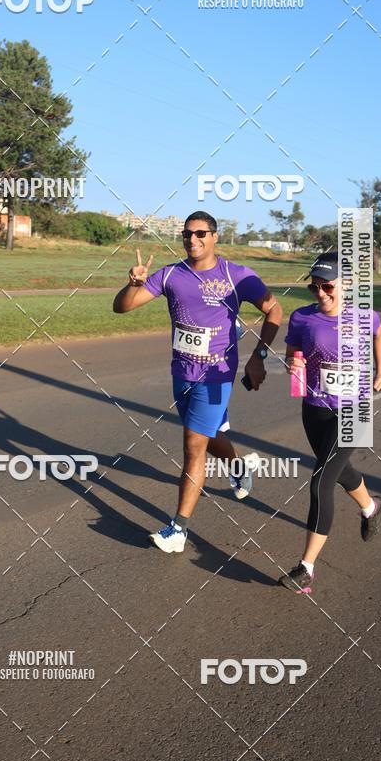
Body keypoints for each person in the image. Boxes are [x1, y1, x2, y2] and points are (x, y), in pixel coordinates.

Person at [112, 211, 282, 553]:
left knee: (193, 446)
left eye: (201, 233)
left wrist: (258, 356)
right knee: (207, 436)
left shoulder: (237, 276)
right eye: (187, 234)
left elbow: (274, 310)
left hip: (217, 375)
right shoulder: (171, 274)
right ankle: (238, 467)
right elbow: (121, 308)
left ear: (215, 237)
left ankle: (178, 529)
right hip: (182, 373)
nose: (193, 239)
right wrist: (132, 285)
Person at [279, 251, 381, 593]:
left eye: (328, 286)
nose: (321, 294)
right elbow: (293, 353)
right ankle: (371, 506)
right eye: (314, 288)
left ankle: (306, 568)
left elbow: (380, 335)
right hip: (315, 407)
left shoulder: (363, 316)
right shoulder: (301, 318)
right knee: (340, 472)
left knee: (320, 483)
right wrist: (293, 365)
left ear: (348, 285)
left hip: (354, 410)